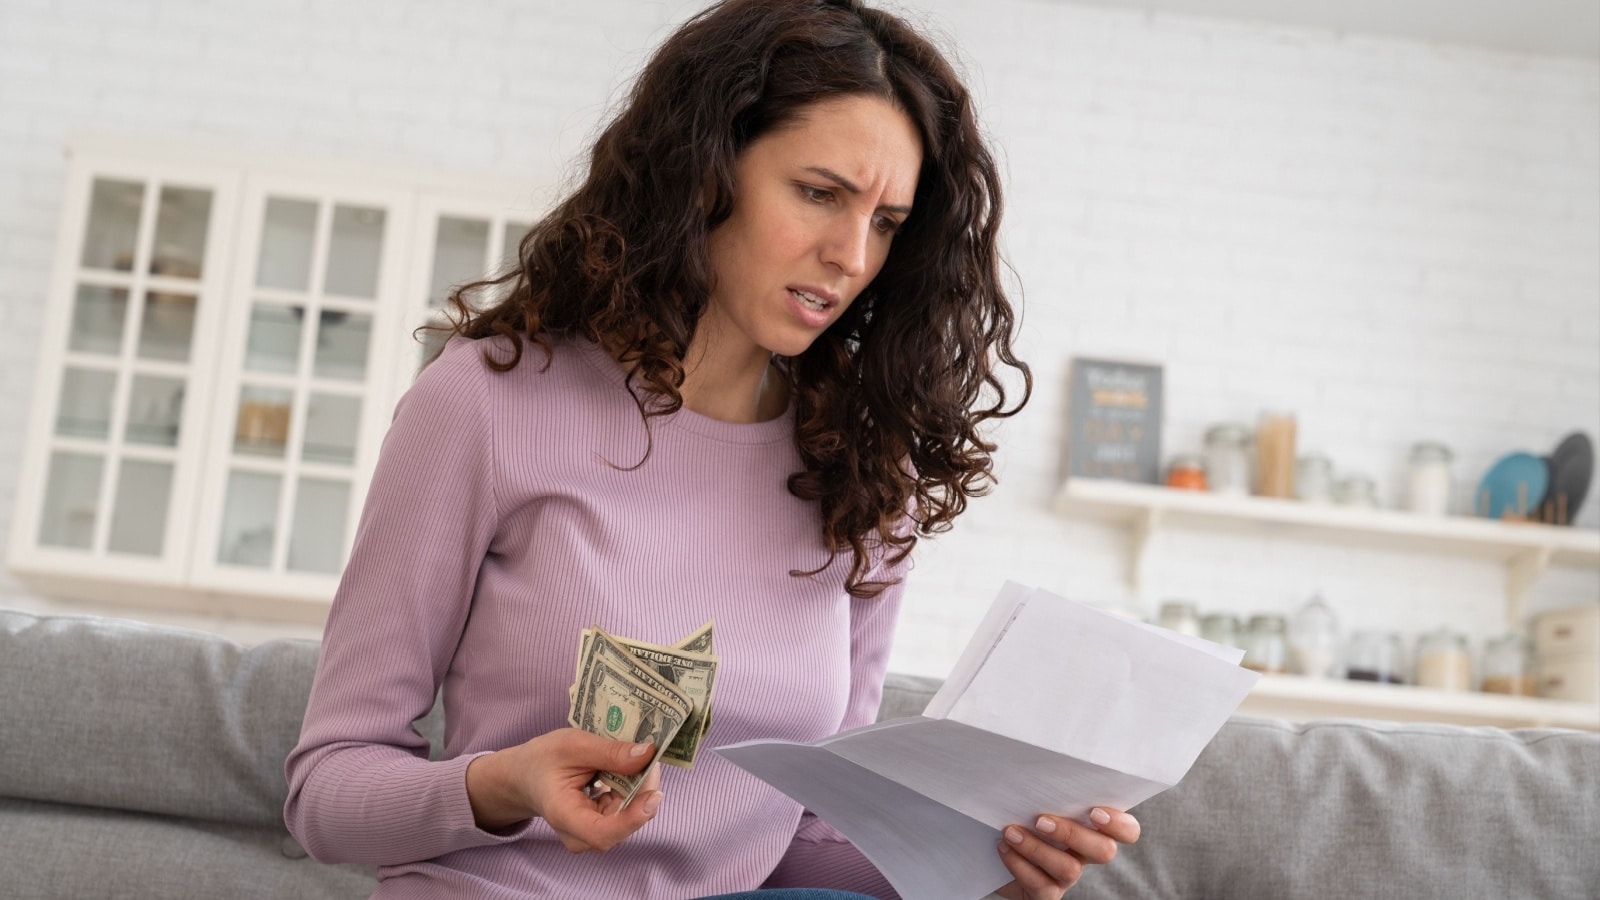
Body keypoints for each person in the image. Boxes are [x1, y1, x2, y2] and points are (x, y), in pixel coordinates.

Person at [283, 0, 1140, 897]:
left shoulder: (861, 474)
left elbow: (798, 843)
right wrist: (503, 784)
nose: (851, 253)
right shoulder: (486, 404)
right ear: (703, 174)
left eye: (887, 222)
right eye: (819, 193)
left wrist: (990, 869)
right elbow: (325, 792)